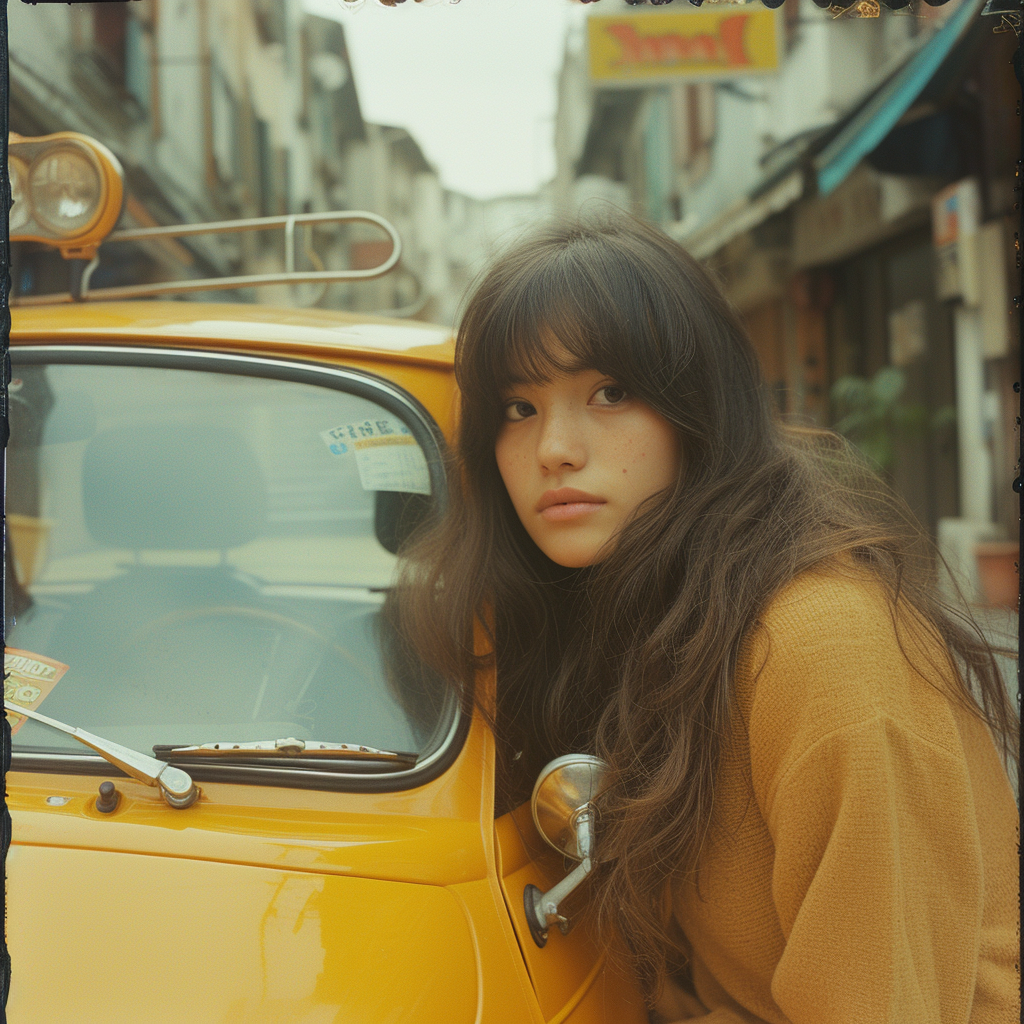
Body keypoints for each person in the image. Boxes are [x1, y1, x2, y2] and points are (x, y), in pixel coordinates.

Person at [388, 214, 1019, 1023]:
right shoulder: (618, 610)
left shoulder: (822, 648)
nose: (554, 448)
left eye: (609, 393)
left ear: (698, 410)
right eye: (517, 407)